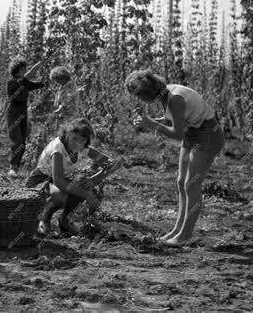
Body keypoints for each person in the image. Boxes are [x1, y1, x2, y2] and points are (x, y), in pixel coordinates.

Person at [126, 70, 225, 247]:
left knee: (192, 184)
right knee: (181, 182)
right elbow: (172, 120)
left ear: (148, 93)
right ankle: (177, 229)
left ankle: (185, 235)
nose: (140, 100)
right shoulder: (166, 93)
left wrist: (151, 124)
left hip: (208, 134)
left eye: (140, 96)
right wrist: (148, 121)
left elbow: (178, 133)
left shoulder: (176, 99)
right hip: (193, 134)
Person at [26, 118, 122, 235]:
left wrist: (95, 178)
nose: (78, 143)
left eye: (82, 140)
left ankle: (64, 221)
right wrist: (86, 195)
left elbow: (109, 164)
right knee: (60, 196)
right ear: (67, 135)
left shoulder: (83, 148)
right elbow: (59, 182)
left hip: (57, 181)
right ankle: (44, 219)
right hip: (40, 180)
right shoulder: (58, 150)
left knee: (83, 185)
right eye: (74, 138)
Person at [5, 58, 46, 177]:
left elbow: (36, 85)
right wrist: (37, 66)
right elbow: (27, 78)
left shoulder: (24, 82)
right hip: (13, 113)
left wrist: (43, 81)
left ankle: (16, 168)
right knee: (16, 140)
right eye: (22, 69)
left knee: (22, 142)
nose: (24, 71)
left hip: (23, 113)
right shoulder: (12, 82)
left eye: (25, 69)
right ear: (16, 71)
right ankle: (12, 168)